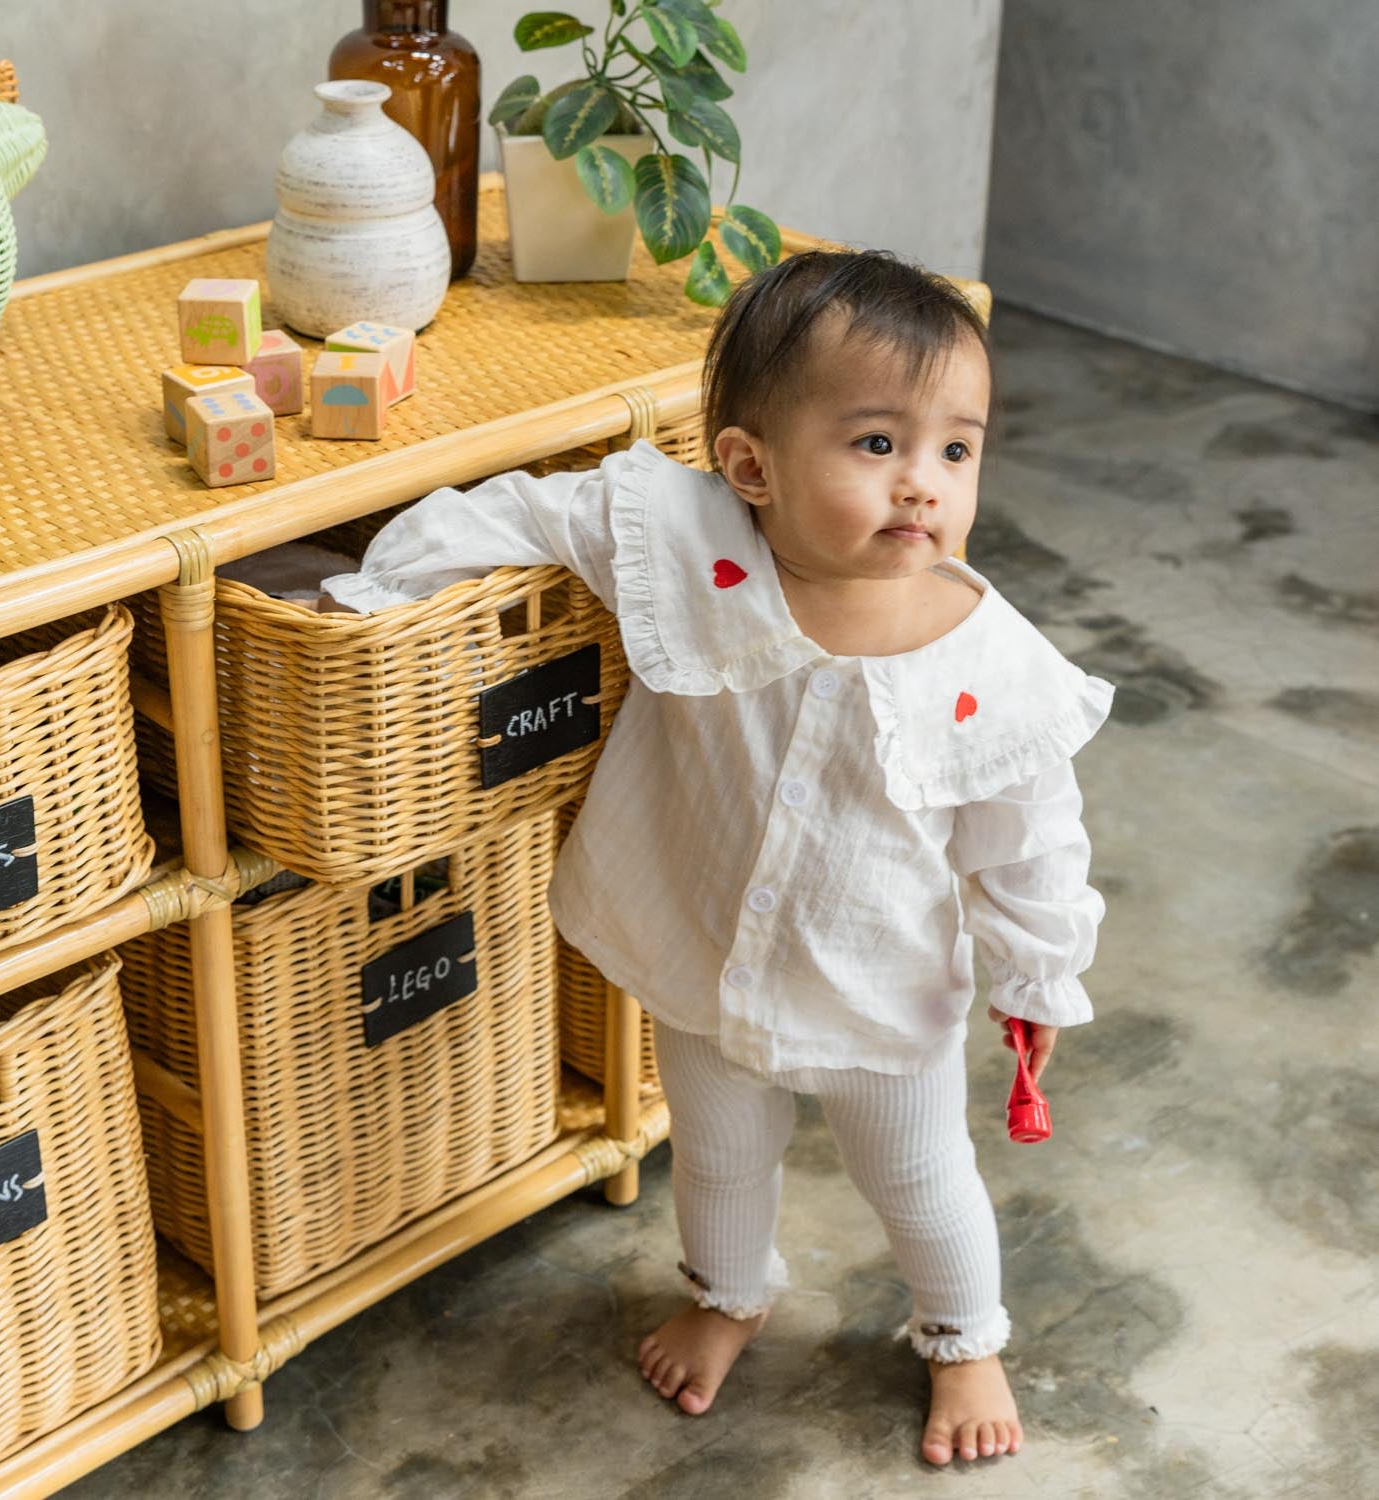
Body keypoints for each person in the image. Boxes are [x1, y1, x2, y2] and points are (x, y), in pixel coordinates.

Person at [321, 249, 1115, 1466]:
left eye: (956, 450)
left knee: (918, 1177)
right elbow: (533, 509)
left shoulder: (988, 664)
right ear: (752, 466)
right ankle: (728, 1296)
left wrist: (1036, 978)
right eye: (875, 445)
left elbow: (1031, 844)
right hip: (704, 958)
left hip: (879, 989)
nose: (924, 486)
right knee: (720, 1154)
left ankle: (965, 1339)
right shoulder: (691, 540)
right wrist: (391, 585)